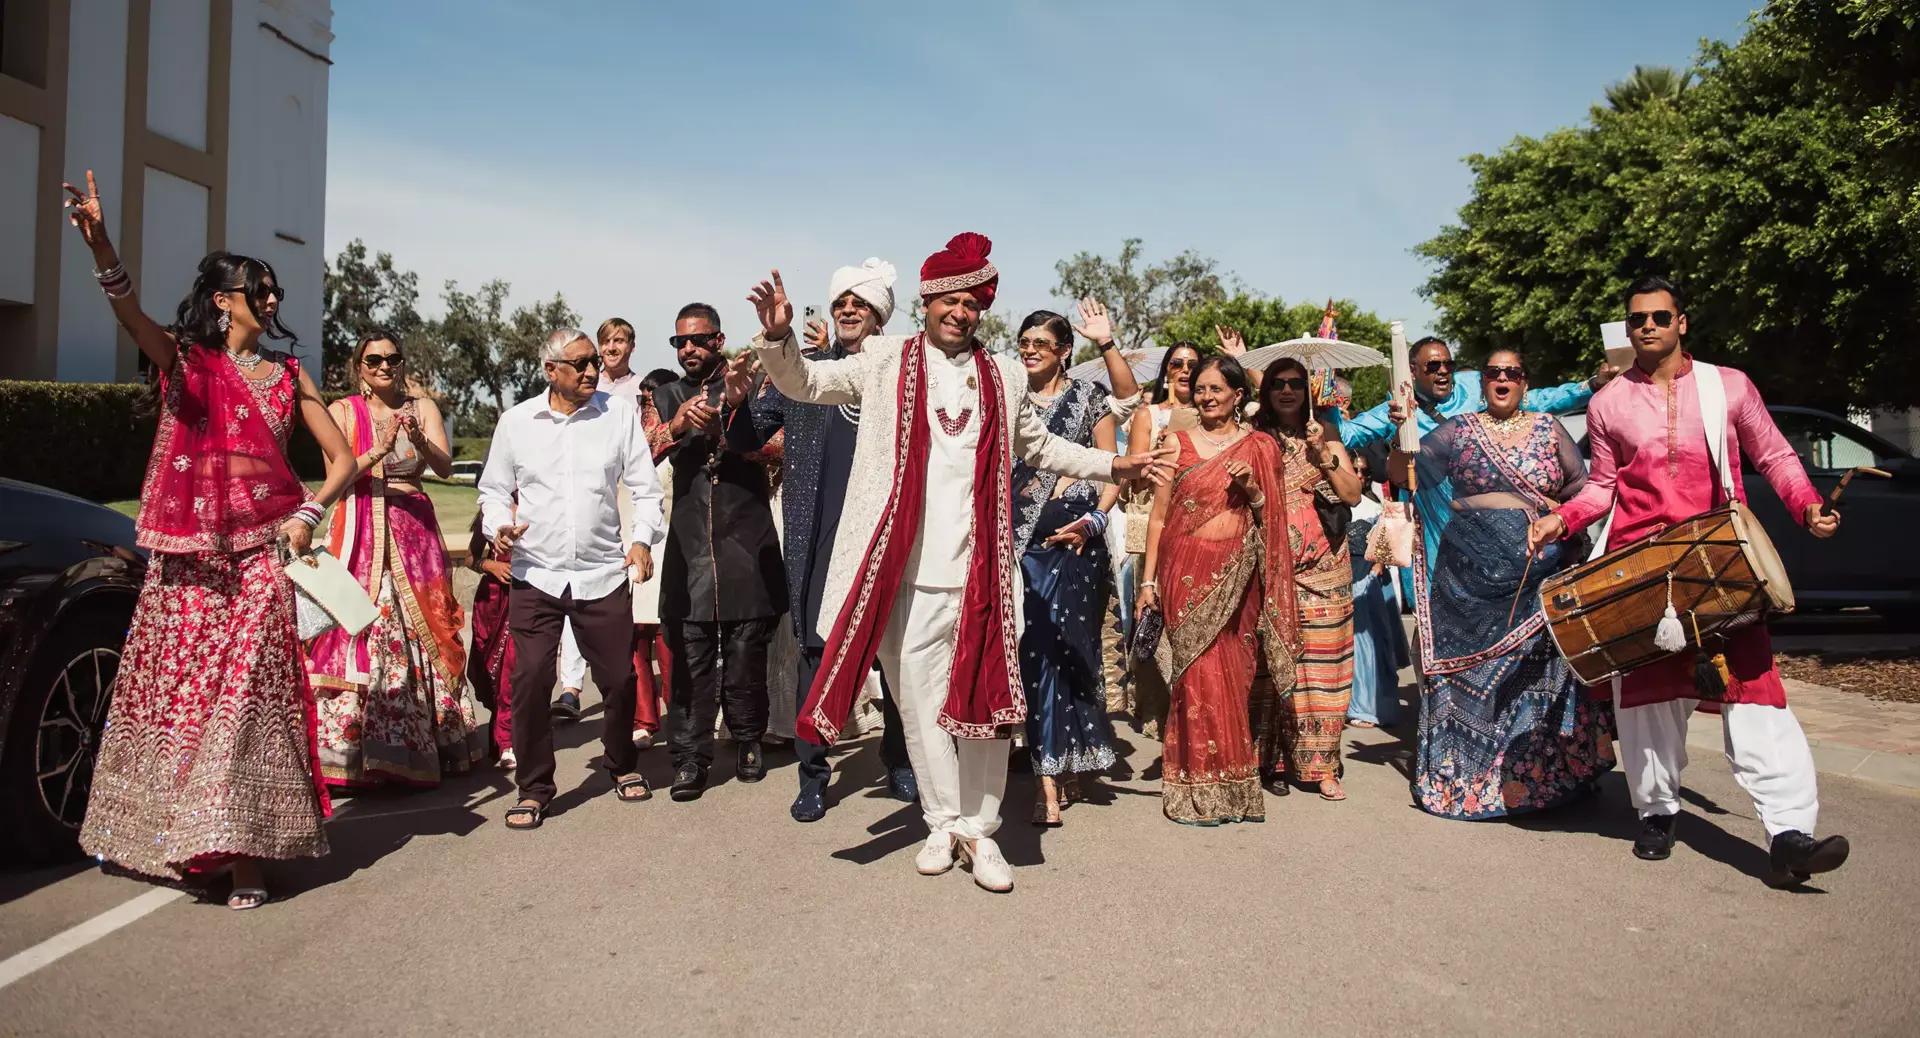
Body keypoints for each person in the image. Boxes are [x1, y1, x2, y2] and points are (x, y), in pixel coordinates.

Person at [748, 233, 1175, 892]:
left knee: (989, 703)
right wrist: (778, 340)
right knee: (918, 707)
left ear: (981, 308)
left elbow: (1040, 444)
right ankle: (942, 820)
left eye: (972, 301)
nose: (960, 310)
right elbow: (808, 381)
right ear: (927, 301)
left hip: (982, 570)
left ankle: (982, 830)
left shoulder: (1002, 372)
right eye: (949, 298)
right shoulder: (885, 359)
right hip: (906, 575)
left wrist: (1113, 463)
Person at [64, 171, 356, 909]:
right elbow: (133, 320)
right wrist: (102, 247)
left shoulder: (291, 375)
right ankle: (172, 833)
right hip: (189, 564)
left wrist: (308, 514)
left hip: (261, 557)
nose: (272, 301)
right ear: (224, 300)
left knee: (247, 699)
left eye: (274, 290)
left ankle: (244, 855)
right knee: (185, 698)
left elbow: (342, 461)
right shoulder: (190, 365)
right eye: (259, 289)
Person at [1529, 276, 1850, 887]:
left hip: (1719, 557)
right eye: (1636, 319)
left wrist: (1806, 504)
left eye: (1659, 316)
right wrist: (1561, 517)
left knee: (1756, 693)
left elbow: (1776, 455)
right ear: (1628, 329)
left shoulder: (1728, 386)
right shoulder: (1607, 404)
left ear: (1682, 323)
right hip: (1643, 564)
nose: (1647, 326)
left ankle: (1789, 834)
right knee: (1649, 697)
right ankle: (1656, 812)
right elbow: (1603, 485)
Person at [1386, 349, 1611, 818]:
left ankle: (1543, 778)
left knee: (1537, 676)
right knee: (1465, 675)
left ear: (1525, 382)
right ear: (1484, 381)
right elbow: (1404, 474)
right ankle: (1467, 779)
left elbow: (1581, 490)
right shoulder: (1459, 430)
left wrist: (1561, 523)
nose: (1503, 379)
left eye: (1513, 373)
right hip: (1466, 582)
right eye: (1494, 373)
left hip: (1539, 574)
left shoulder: (1550, 430)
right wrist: (1400, 431)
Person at [744, 259, 917, 822]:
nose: (847, 309)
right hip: (817, 534)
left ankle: (901, 760)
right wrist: (735, 398)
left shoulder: (900, 375)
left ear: (879, 315)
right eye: (841, 301)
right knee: (815, 656)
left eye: (860, 303)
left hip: (885, 533)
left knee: (892, 654)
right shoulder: (804, 370)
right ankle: (813, 773)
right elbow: (748, 433)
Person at [477, 328, 666, 830]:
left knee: (620, 680)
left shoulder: (617, 416)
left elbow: (647, 491)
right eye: (579, 364)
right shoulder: (516, 422)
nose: (591, 372)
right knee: (531, 678)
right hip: (535, 573)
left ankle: (621, 763)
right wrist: (498, 527)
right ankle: (535, 787)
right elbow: (492, 491)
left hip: (602, 573)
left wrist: (642, 540)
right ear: (550, 370)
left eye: (593, 364)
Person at [307, 330, 484, 788]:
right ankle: (360, 754)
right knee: (370, 628)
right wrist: (378, 450)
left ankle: (427, 745)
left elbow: (444, 468)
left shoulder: (421, 407)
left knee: (425, 631)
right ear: (359, 367)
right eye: (374, 360)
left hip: (413, 534)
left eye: (392, 358)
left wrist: (419, 441)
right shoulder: (344, 412)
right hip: (361, 530)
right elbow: (337, 476)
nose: (385, 366)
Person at [1137, 356, 1300, 825]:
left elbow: (1273, 520)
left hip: (1238, 575)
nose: (1206, 396)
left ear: (1238, 394)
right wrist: (1148, 581)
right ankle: (1190, 787)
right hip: (1183, 572)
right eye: (1201, 389)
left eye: (1216, 389)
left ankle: (1233, 784)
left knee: (1231, 675)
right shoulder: (1175, 443)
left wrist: (1254, 492)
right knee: (1194, 677)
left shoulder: (1260, 447)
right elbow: (1160, 514)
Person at [1340, 336, 1613, 597]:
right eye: (1433, 366)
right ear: (1412, 372)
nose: (1444, 372)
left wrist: (1588, 386)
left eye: (1450, 365)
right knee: (1444, 608)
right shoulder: (1396, 408)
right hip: (1434, 528)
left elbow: (1538, 399)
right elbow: (1348, 436)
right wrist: (1326, 403)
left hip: (1497, 532)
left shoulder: (1474, 386)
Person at [644, 303, 787, 801]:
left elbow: (780, 447)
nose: (688, 350)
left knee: (748, 646)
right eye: (679, 342)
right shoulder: (661, 395)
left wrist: (734, 416)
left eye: (698, 340)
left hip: (745, 535)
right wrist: (679, 425)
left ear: (719, 340)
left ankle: (748, 738)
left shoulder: (756, 381)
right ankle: (690, 756)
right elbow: (639, 453)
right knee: (690, 651)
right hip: (688, 542)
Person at [1010, 302, 1142, 825]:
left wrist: (1091, 522)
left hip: (1077, 545)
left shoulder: (1089, 398)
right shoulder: (1011, 398)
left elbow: (1113, 470)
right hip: (1021, 543)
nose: (1029, 350)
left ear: (1064, 351)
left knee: (1075, 652)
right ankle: (1045, 777)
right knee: (1035, 654)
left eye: (1041, 343)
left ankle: (1077, 756)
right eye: (1024, 342)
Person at [1248, 358, 1363, 801]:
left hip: (1324, 569)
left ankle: (1322, 765)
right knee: (1269, 667)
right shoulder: (1254, 439)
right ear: (1267, 391)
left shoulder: (1327, 435)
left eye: (1296, 384)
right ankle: (1269, 759)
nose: (1287, 391)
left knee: (1323, 670)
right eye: (1277, 384)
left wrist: (1323, 459)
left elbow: (1351, 494)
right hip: (1269, 567)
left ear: (1308, 392)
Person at [1119, 341, 1204, 736]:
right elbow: (1132, 475)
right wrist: (1163, 443)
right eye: (1177, 363)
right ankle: (1156, 709)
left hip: (1201, 525)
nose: (1184, 369)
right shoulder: (1148, 414)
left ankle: (1198, 705)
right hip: (1157, 520)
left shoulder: (1215, 413)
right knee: (1153, 616)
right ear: (1166, 371)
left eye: (1192, 364)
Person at [1344, 454, 1409, 728]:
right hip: (1342, 578)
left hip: (1368, 579)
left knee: (1370, 644)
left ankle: (1368, 707)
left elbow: (1388, 542)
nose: (1359, 476)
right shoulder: (1335, 504)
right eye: (1354, 470)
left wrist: (1379, 563)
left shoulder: (1375, 505)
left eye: (1363, 471)